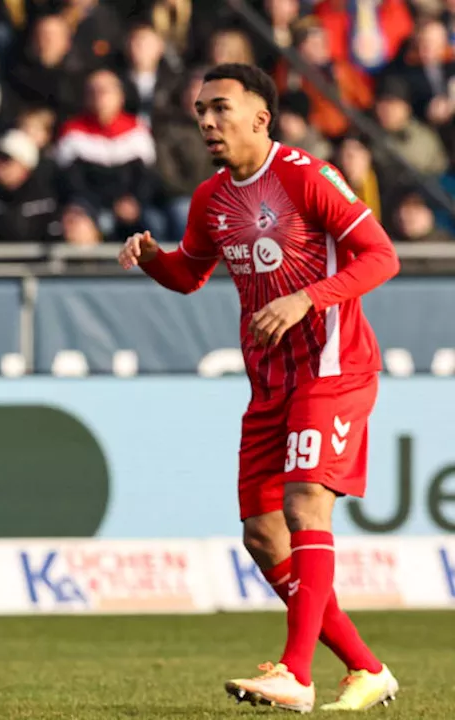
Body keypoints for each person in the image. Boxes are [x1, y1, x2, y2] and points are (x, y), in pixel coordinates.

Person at [117, 63, 401, 713]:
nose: (208, 122)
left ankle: (296, 674)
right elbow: (191, 274)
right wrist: (153, 258)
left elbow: (381, 255)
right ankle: (366, 667)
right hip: (270, 380)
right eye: (200, 111)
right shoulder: (210, 199)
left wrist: (308, 297)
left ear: (260, 117)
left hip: (332, 365)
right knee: (263, 534)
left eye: (220, 108)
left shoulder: (306, 175)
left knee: (306, 505)